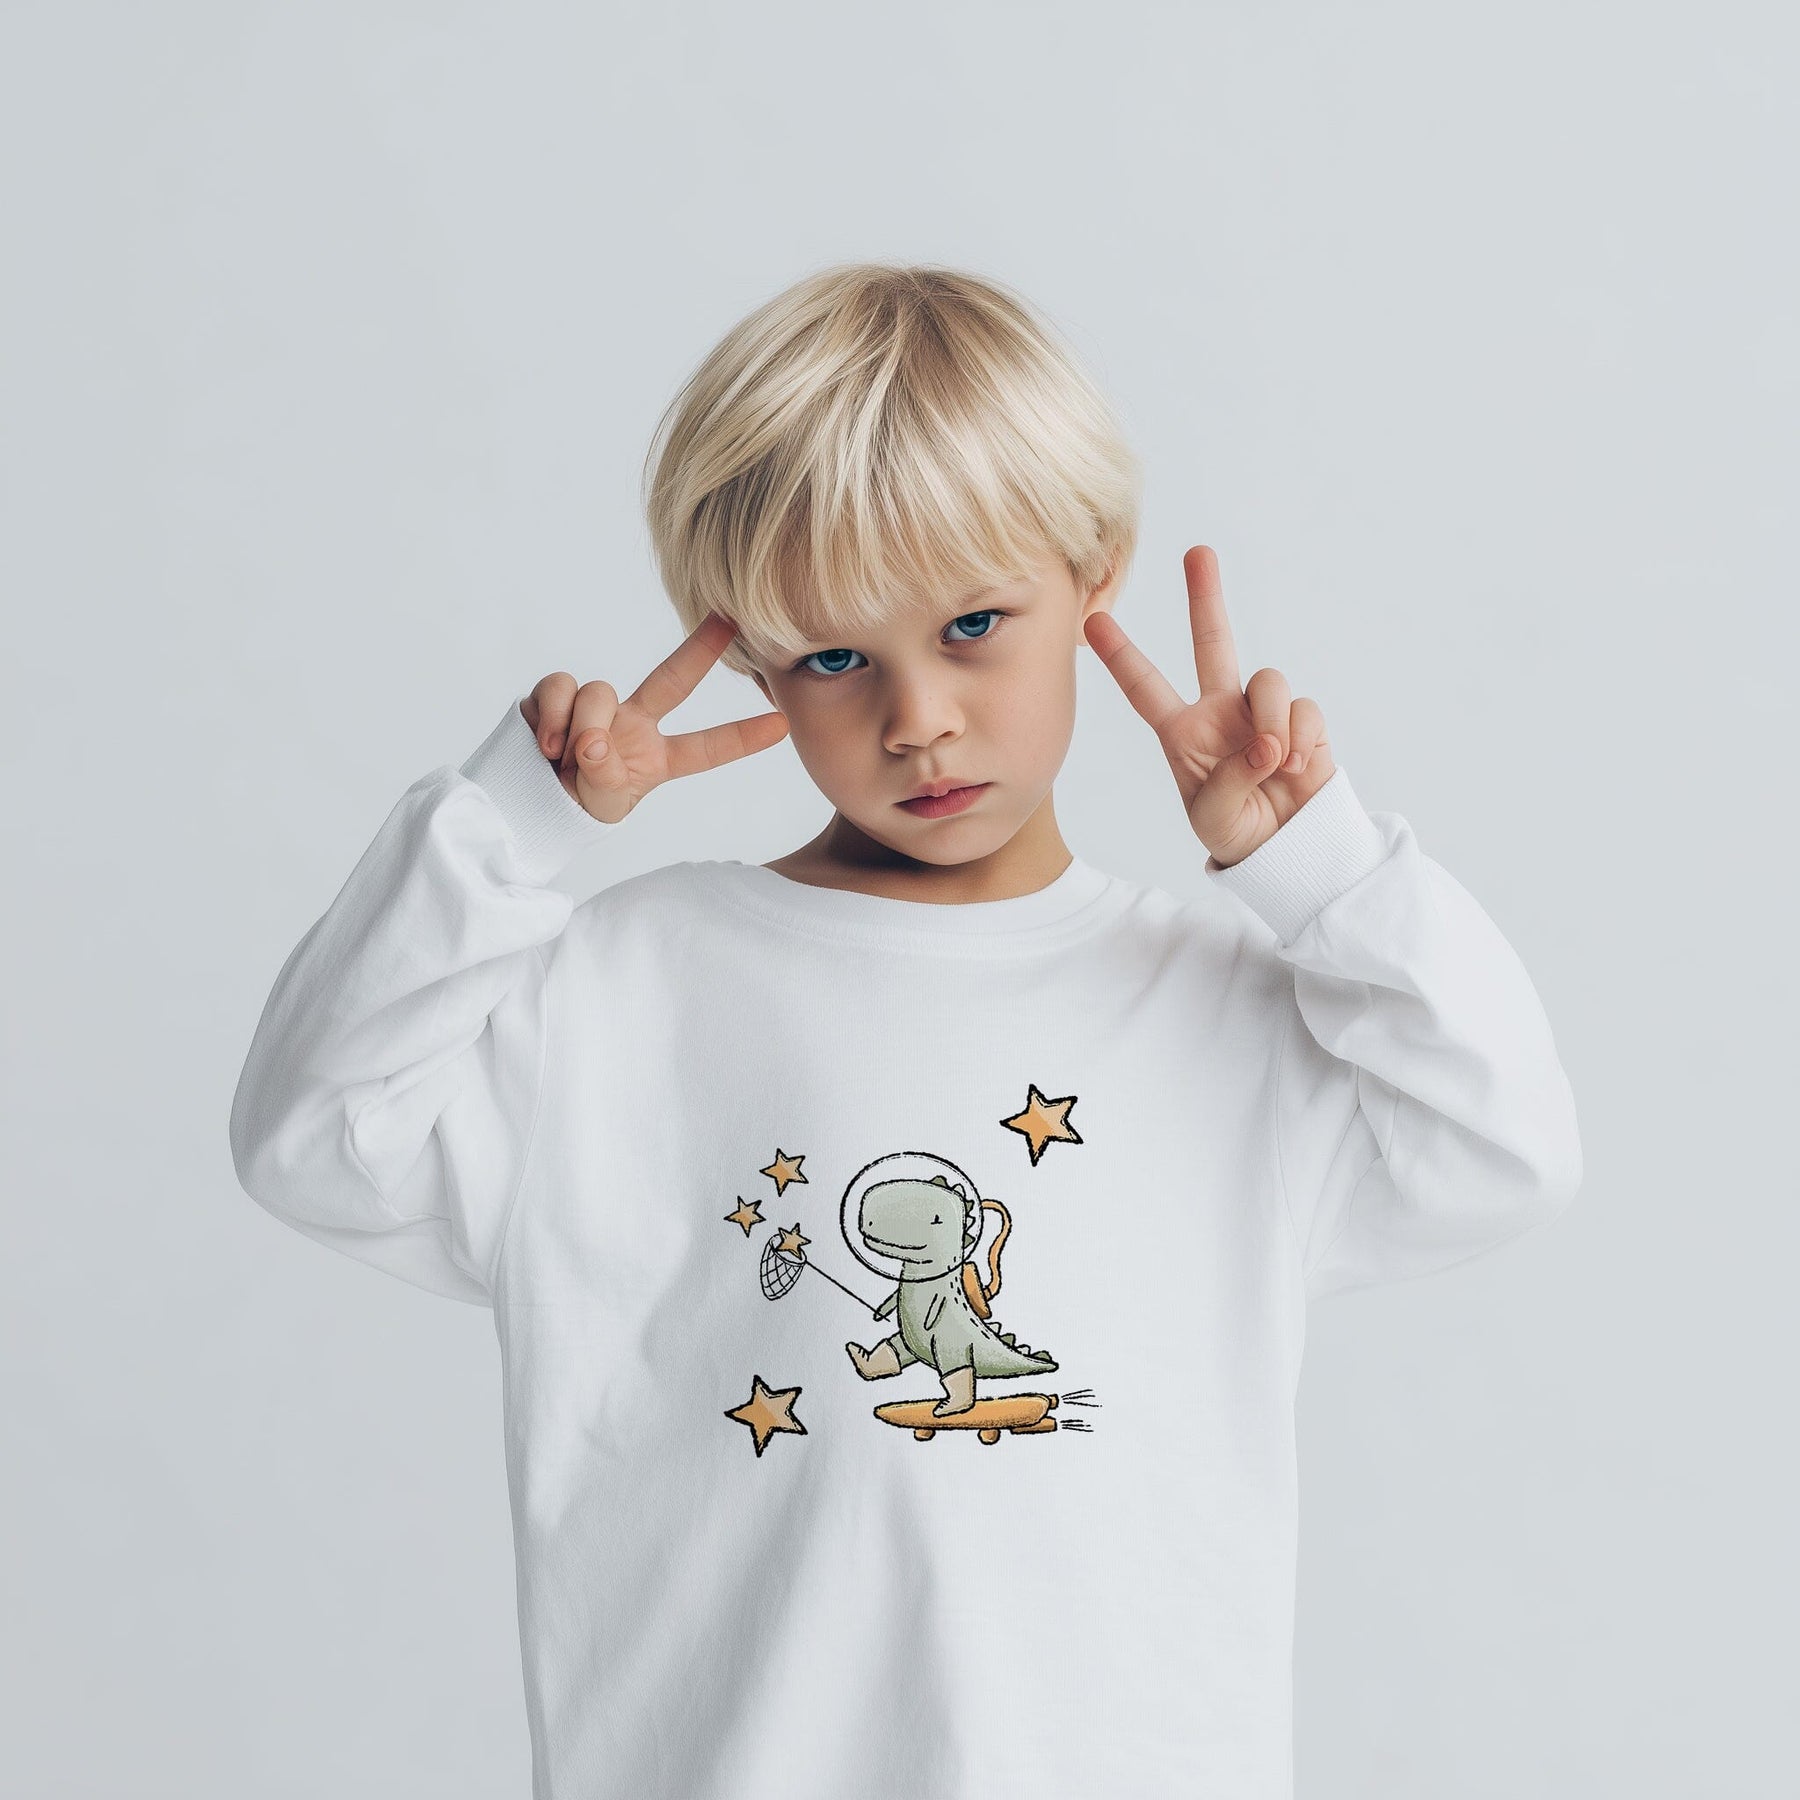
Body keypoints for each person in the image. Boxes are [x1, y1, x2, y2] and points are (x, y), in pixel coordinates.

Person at [228, 262, 1582, 1800]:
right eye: (835, 657)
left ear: (1095, 575)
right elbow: (313, 1139)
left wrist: (1314, 871)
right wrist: (508, 829)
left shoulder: (1220, 1002)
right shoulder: (617, 990)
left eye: (975, 623)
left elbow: (1503, 1148)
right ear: (753, 656)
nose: (918, 716)